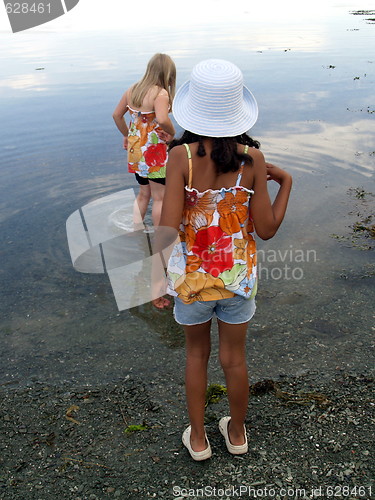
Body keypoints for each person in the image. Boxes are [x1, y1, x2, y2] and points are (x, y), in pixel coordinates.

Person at [152, 59, 292, 461]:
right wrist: (287, 182)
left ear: (194, 109)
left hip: (193, 283)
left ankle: (198, 439)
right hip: (237, 280)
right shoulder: (253, 159)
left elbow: (167, 226)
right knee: (235, 359)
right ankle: (236, 434)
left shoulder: (181, 157)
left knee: (196, 356)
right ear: (237, 111)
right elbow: (265, 229)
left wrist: (152, 280)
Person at [112, 53, 176, 228]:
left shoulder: (133, 89)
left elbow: (117, 115)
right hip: (154, 151)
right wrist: (172, 132)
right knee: (159, 197)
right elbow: (162, 119)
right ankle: (159, 238)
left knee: (142, 194)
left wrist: (126, 135)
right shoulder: (160, 93)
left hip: (136, 149)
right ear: (168, 74)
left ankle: (136, 231)